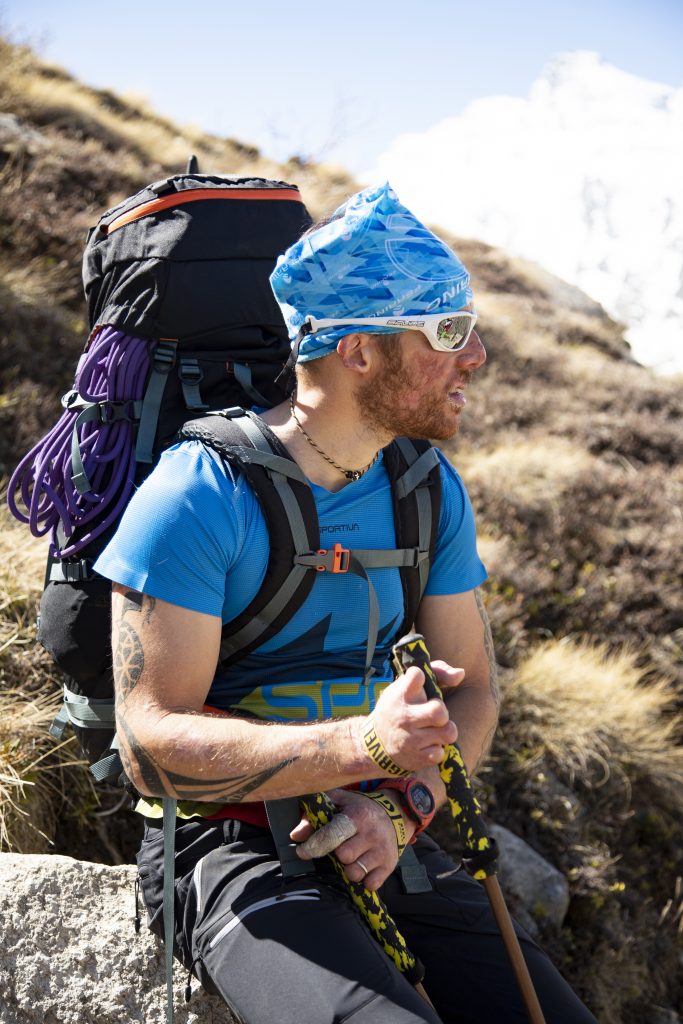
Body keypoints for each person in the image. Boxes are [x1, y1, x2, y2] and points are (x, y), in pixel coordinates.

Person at [95, 183, 597, 1023]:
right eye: (446, 332)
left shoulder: (424, 488)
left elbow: (471, 689)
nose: (473, 357)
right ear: (358, 350)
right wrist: (364, 744)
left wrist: (403, 809)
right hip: (230, 847)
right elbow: (148, 745)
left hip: (383, 830)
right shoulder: (199, 494)